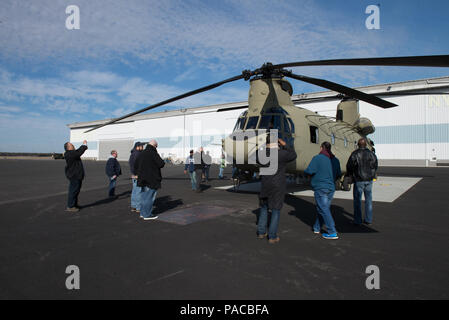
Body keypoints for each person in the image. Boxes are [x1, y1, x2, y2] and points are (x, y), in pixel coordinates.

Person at [258, 137, 297, 244]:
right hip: (277, 186)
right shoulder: (282, 154)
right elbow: (293, 155)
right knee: (275, 209)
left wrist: (264, 145)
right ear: (277, 143)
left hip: (265, 184)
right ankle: (272, 236)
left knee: (264, 207)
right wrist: (285, 144)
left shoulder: (262, 154)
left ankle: (261, 232)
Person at [305, 141, 341, 240]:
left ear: (321, 148)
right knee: (323, 208)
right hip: (331, 187)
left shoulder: (318, 158)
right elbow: (338, 173)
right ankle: (317, 227)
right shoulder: (335, 160)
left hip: (321, 187)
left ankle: (332, 231)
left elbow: (309, 170)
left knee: (324, 209)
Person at [346, 138, 378, 226]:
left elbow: (349, 166)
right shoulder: (372, 154)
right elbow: (375, 165)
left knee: (357, 200)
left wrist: (350, 175)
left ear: (358, 145)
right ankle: (368, 219)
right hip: (369, 180)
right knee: (368, 200)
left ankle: (358, 220)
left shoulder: (355, 154)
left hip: (359, 180)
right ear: (366, 145)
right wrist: (373, 175)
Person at [135, 139, 165, 220]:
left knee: (144, 197)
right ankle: (147, 215)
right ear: (154, 146)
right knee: (149, 197)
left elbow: (135, 165)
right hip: (152, 179)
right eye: (156, 146)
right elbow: (161, 164)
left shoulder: (142, 153)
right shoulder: (153, 153)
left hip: (142, 179)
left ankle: (143, 213)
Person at [64, 140, 88, 212]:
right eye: (71, 145)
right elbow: (79, 152)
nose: (73, 145)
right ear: (68, 148)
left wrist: (84, 146)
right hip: (74, 176)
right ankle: (70, 206)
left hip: (76, 175)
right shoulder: (69, 153)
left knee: (76, 191)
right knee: (73, 191)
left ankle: (74, 205)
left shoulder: (71, 153)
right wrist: (84, 145)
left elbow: (77, 152)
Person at [129, 142, 144, 213]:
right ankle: (138, 207)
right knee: (138, 191)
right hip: (137, 175)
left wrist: (133, 173)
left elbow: (131, 164)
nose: (143, 147)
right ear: (138, 146)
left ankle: (133, 206)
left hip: (134, 175)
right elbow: (135, 165)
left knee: (134, 191)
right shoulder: (137, 154)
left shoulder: (132, 153)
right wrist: (136, 174)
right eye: (142, 146)